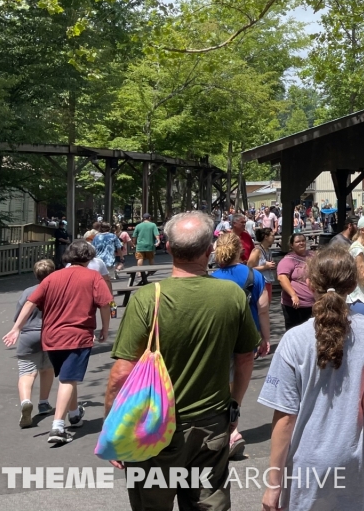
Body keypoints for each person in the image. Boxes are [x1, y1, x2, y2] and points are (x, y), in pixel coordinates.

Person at [105, 211, 261, 511]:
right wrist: (234, 406)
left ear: (169, 248)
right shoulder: (231, 295)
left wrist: (115, 428)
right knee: (208, 504)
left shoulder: (148, 297)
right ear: (208, 251)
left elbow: (120, 374)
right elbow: (244, 359)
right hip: (210, 425)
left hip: (151, 427)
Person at [259, 245, 364, 511]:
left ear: (310, 283)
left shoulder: (294, 340)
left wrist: (274, 484)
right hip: (358, 460)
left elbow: (284, 419)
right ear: (352, 286)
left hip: (308, 466)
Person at [2, 240, 112, 445]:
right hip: (77, 335)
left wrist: (17, 328)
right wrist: (105, 328)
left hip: (51, 336)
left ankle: (74, 414)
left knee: (66, 376)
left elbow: (31, 302)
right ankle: (58, 427)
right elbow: (105, 304)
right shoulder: (93, 277)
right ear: (89, 257)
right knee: (68, 379)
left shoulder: (53, 277)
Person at [211, 231, 272, 459]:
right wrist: (266, 337)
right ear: (240, 250)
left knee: (223, 382)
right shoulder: (253, 275)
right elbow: (263, 309)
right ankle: (232, 426)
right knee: (239, 384)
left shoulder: (213, 277)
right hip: (248, 338)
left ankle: (224, 430)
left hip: (221, 338)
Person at [14, 258, 57, 428]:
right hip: (51, 335)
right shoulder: (57, 290)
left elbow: (19, 315)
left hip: (29, 336)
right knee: (47, 369)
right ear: (53, 272)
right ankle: (44, 402)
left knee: (27, 373)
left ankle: (26, 401)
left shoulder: (28, 292)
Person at [278, 232, 316, 329]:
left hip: (314, 304)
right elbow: (282, 278)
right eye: (298, 242)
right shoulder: (288, 260)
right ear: (292, 245)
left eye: (303, 241)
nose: (301, 243)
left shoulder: (313, 255)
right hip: (295, 306)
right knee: (294, 332)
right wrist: (293, 295)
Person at [247, 227, 277, 301]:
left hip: (268, 281)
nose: (274, 238)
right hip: (260, 282)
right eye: (272, 236)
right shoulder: (257, 250)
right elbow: (249, 268)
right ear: (266, 237)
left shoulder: (268, 250)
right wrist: (265, 267)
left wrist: (271, 266)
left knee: (267, 306)